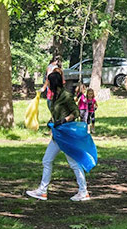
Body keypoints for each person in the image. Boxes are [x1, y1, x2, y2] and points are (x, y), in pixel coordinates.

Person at [26, 71, 90, 202]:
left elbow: (76, 112)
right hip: (57, 135)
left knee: (74, 163)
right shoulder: (54, 96)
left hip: (66, 135)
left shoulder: (66, 96)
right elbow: (57, 113)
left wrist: (64, 120)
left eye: (48, 81)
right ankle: (42, 191)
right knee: (47, 160)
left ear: (53, 82)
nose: (47, 84)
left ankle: (83, 192)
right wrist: (51, 122)